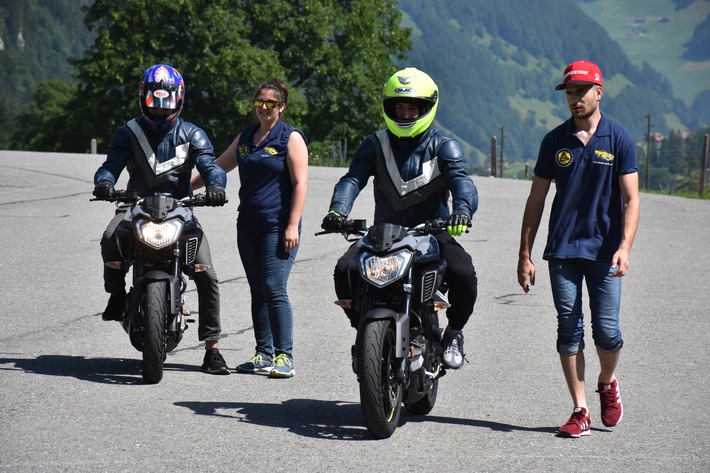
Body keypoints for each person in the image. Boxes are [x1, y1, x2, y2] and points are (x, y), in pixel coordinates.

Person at [321, 67, 479, 370]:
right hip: (385, 234)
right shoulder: (374, 144)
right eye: (399, 107)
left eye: (412, 108)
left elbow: (462, 182)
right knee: (344, 269)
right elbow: (352, 179)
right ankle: (365, 329)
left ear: (427, 108)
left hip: (433, 233)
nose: (405, 114)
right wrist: (337, 210)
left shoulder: (444, 146)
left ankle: (455, 332)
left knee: (463, 273)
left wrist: (462, 211)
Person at [517, 60, 640, 438]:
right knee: (568, 329)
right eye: (570, 92)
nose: (575, 99)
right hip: (563, 251)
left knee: (607, 333)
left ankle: (607, 381)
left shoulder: (619, 139)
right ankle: (580, 409)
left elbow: (632, 199)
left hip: (605, 253)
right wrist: (525, 254)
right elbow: (536, 199)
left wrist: (625, 247)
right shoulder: (554, 141)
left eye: (581, 91)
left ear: (598, 92)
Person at [93, 64, 230, 375]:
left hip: (181, 209)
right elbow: (111, 163)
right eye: (154, 103)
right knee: (108, 238)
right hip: (135, 205)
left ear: (178, 100)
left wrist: (216, 187)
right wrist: (104, 181)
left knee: (206, 274)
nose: (159, 111)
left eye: (165, 103)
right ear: (143, 98)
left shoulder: (193, 133)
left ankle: (213, 350)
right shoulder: (128, 132)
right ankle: (116, 295)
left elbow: (210, 165)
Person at [192, 78, 308, 379]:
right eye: (260, 102)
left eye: (271, 103)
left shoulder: (290, 138)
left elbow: (300, 184)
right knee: (258, 290)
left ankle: (285, 356)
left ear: (281, 107)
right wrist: (182, 187)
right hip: (248, 225)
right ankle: (263, 354)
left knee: (273, 288)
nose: (264, 108)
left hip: (278, 226)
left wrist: (292, 225)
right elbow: (218, 166)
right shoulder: (247, 137)